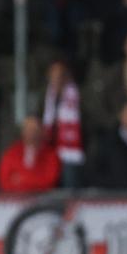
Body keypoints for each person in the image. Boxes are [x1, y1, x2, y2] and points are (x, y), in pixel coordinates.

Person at [42, 59, 85, 188]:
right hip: (48, 150)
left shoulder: (77, 95)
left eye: (61, 75)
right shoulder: (44, 96)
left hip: (69, 153)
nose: (57, 79)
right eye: (54, 76)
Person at [0, 116, 62, 193]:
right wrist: (34, 179)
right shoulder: (11, 153)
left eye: (35, 130)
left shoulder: (51, 155)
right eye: (28, 130)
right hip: (15, 199)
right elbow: (4, 181)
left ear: (42, 132)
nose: (32, 134)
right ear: (23, 132)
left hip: (43, 199)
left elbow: (49, 181)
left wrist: (21, 180)